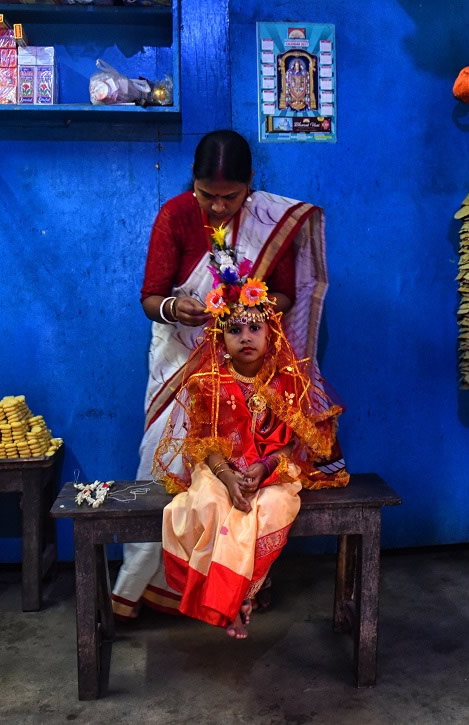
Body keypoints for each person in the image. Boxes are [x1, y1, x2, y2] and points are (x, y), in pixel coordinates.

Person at [112, 130, 342, 620]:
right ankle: (149, 586)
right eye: (206, 196)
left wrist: (247, 305)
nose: (217, 208)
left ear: (250, 186)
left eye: (230, 197)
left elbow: (285, 296)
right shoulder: (175, 215)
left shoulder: (267, 222)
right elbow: (151, 297)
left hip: (248, 361)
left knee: (250, 461)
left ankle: (241, 584)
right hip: (183, 353)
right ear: (191, 185)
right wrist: (177, 307)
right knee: (163, 462)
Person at [154, 241, 347, 638]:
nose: (246, 337)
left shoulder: (286, 381)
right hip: (220, 470)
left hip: (273, 471)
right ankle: (239, 598)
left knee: (273, 506)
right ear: (219, 339)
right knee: (207, 502)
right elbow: (201, 443)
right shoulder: (207, 382)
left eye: (255, 328)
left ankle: (240, 594)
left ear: (270, 331)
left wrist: (262, 467)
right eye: (234, 329)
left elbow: (295, 444)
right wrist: (227, 477)